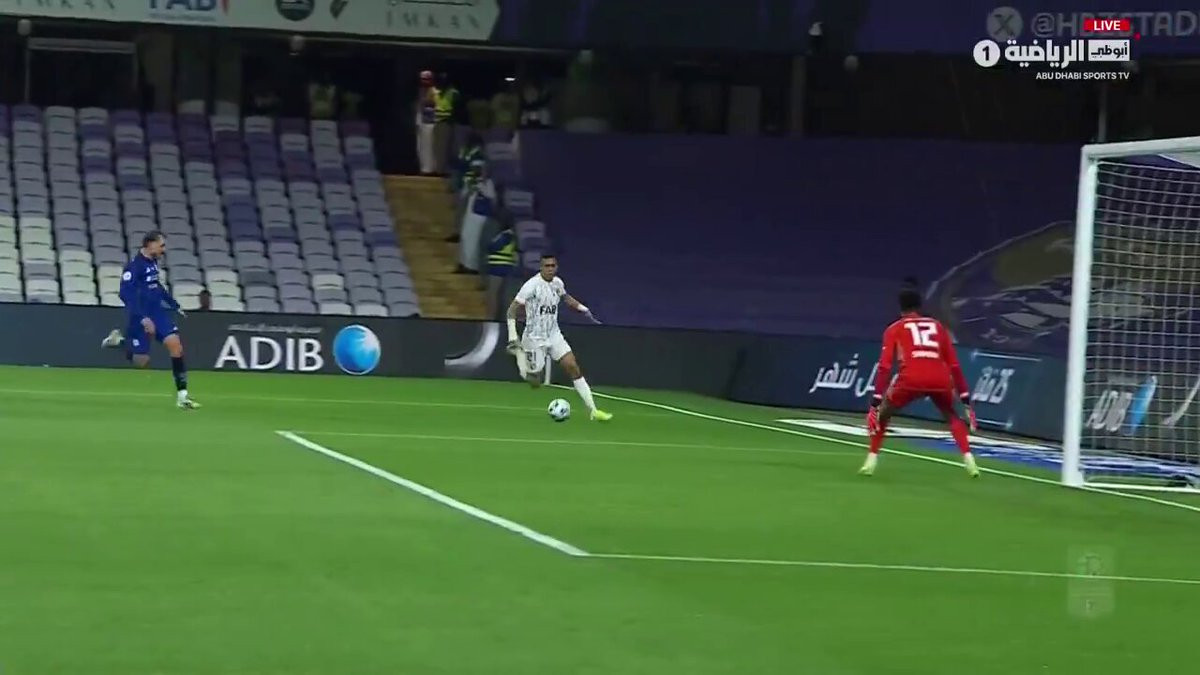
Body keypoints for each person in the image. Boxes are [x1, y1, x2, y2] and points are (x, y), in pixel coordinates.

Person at [860, 288, 976, 477]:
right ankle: (969, 458)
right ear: (920, 306)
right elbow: (954, 365)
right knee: (951, 416)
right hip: (939, 378)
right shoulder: (937, 326)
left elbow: (884, 367)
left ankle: (871, 460)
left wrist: (875, 402)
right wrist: (965, 400)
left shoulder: (895, 328)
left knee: (883, 414)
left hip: (910, 378)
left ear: (900, 307)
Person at [100, 231, 199, 410]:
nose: (163, 249)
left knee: (176, 346)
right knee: (142, 361)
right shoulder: (134, 267)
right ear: (150, 244)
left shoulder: (153, 263)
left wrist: (173, 304)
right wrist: (143, 318)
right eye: (161, 245)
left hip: (157, 313)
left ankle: (182, 397)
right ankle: (120, 342)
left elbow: (157, 286)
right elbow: (125, 294)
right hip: (139, 316)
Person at [506, 254, 611, 421]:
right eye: (546, 266)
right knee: (535, 382)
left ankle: (593, 410)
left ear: (556, 267)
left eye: (552, 266)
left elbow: (566, 298)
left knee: (572, 366)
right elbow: (512, 310)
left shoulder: (557, 283)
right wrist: (513, 336)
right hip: (534, 338)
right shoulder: (531, 286)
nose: (550, 269)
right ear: (541, 267)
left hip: (554, 334)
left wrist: (583, 309)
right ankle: (519, 354)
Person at [484, 217, 518, 320]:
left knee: (493, 294)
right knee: (498, 295)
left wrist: (490, 244)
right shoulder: (511, 236)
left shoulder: (506, 236)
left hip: (498, 269)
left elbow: (493, 246)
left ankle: (491, 317)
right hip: (500, 268)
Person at [415, 70, 437, 175]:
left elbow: (433, 105)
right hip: (420, 121)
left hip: (430, 122)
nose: (425, 81)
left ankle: (429, 169)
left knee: (429, 146)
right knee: (420, 147)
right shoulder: (419, 91)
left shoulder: (434, 91)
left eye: (427, 79)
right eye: (423, 79)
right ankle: (423, 168)